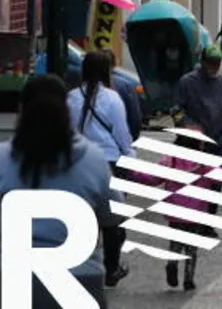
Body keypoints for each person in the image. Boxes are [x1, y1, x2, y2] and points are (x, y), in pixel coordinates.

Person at [0, 75, 120, 308]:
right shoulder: (94, 159)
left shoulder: (3, 159)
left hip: (16, 283)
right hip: (81, 283)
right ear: (66, 110)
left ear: (21, 110)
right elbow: (113, 216)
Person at [130, 129, 222, 290]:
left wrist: (131, 173)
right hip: (195, 213)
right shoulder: (204, 165)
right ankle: (188, 278)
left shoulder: (170, 162)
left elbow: (151, 178)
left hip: (175, 212)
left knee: (175, 243)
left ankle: (172, 263)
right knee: (192, 247)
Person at [67, 51, 133, 287]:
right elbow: (122, 134)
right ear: (107, 71)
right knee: (114, 218)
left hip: (78, 163)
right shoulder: (113, 98)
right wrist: (131, 158)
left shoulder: (70, 98)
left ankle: (82, 265)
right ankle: (112, 268)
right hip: (109, 163)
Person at [174, 45, 222, 156]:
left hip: (217, 140)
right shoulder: (188, 81)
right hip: (192, 142)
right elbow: (177, 111)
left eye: (217, 63)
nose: (214, 66)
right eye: (210, 62)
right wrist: (188, 126)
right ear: (202, 61)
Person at [104, 50, 142, 141]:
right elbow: (134, 114)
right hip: (119, 139)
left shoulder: (82, 88)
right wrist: (133, 136)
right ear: (114, 64)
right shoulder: (124, 85)